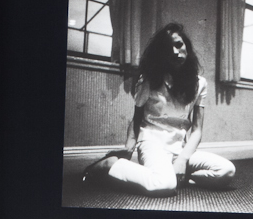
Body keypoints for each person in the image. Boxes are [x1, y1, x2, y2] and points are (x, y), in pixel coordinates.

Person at [82, 23, 237, 194]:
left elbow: (197, 130)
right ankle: (109, 165)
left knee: (226, 170)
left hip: (180, 148)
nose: (175, 52)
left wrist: (183, 160)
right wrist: (129, 147)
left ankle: (177, 176)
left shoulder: (200, 83)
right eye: (168, 49)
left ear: (187, 46)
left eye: (179, 45)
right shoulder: (150, 79)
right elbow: (137, 118)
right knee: (163, 184)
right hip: (152, 143)